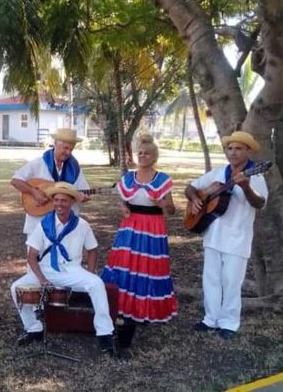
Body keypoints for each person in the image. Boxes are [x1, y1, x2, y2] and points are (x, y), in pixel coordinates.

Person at [10, 182, 115, 355]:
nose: (59, 204)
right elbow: (31, 256)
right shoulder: (44, 224)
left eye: (64, 200)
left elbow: (92, 249)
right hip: (45, 270)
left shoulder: (82, 225)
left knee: (96, 284)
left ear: (72, 202)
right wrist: (42, 279)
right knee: (15, 288)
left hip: (71, 270)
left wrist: (89, 272)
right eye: (56, 200)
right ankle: (33, 329)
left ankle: (105, 336)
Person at [185, 131, 267, 339]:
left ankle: (229, 322)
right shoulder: (218, 173)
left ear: (248, 151)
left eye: (238, 148)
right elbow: (190, 187)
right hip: (213, 235)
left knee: (231, 281)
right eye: (230, 148)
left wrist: (246, 187)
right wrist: (195, 199)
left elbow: (260, 203)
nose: (233, 152)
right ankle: (210, 318)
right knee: (210, 279)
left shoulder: (255, 175)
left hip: (237, 237)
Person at [101, 135, 177, 344]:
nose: (143, 156)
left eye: (147, 153)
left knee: (147, 268)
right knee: (125, 266)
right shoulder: (128, 178)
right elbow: (124, 202)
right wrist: (123, 208)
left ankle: (144, 309)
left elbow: (171, 210)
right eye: (140, 153)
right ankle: (123, 307)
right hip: (131, 226)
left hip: (152, 228)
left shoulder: (163, 180)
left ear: (154, 156)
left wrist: (163, 205)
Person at [10, 128, 90, 236]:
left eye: (71, 149)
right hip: (38, 224)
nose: (68, 153)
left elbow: (84, 191)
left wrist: (81, 198)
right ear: (55, 144)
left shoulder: (74, 168)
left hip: (65, 226)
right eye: (65, 148)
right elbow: (15, 180)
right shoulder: (38, 163)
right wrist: (33, 191)